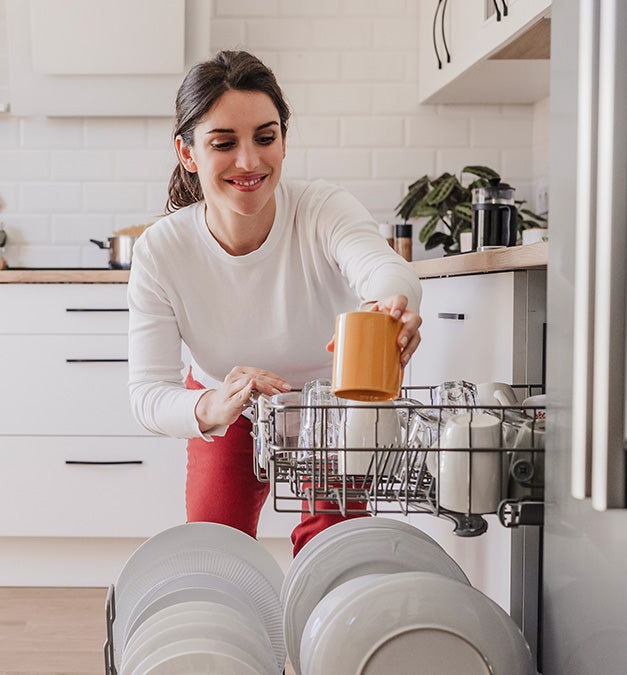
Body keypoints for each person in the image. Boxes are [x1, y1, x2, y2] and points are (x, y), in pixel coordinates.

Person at [127, 50, 423, 556]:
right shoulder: (161, 250)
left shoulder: (320, 208)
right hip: (228, 404)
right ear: (188, 153)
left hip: (330, 404)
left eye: (266, 137)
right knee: (215, 547)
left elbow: (381, 267)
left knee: (333, 549)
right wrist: (213, 404)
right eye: (224, 143)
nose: (250, 161)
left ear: (283, 141)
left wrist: (393, 300)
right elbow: (148, 394)